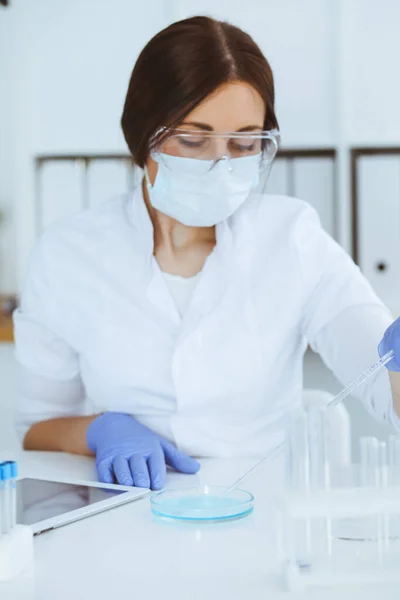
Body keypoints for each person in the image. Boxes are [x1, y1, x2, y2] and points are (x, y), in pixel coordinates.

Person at [13, 16, 400, 491]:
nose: (221, 164)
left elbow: (386, 387)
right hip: (122, 514)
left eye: (243, 143)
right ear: (142, 136)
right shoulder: (69, 255)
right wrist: (99, 429)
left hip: (266, 509)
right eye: (193, 140)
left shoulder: (291, 237)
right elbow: (36, 428)